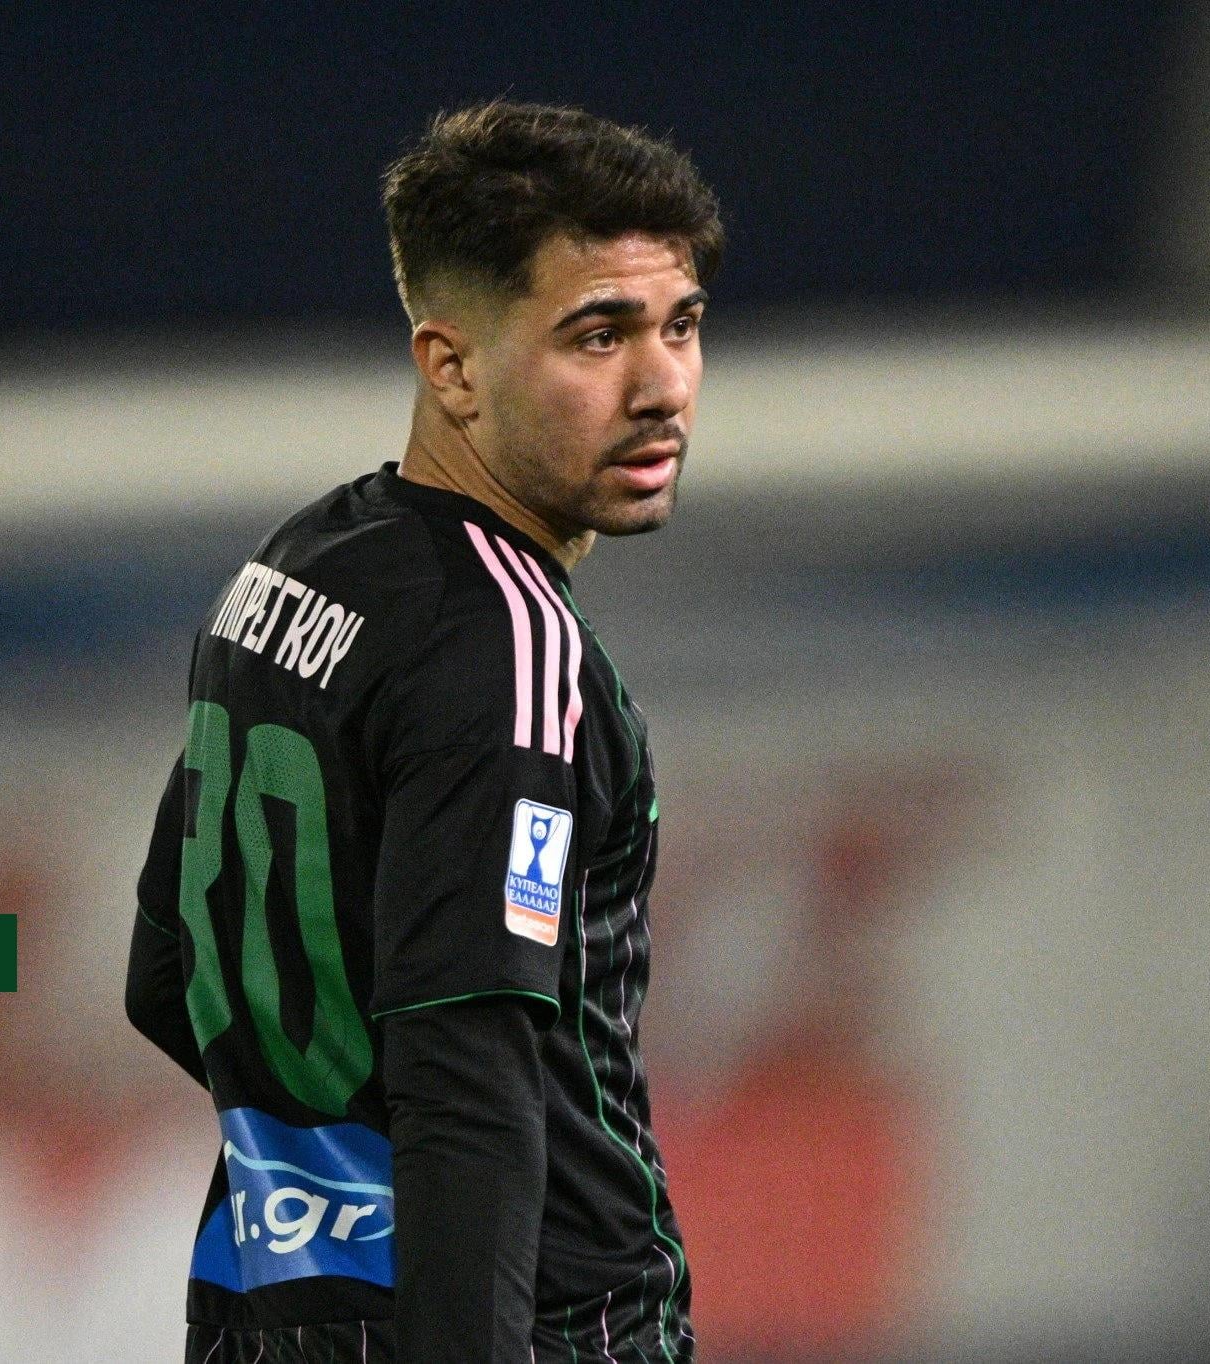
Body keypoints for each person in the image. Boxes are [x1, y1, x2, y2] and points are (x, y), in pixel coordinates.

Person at [125, 99, 721, 1362]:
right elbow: (469, 1085)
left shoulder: (293, 569)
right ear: (450, 367)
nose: (661, 385)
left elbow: (167, 973)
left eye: (679, 324)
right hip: (540, 1325)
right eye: (597, 334)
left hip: (266, 1312)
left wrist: (327, 1202)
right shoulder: (504, 646)